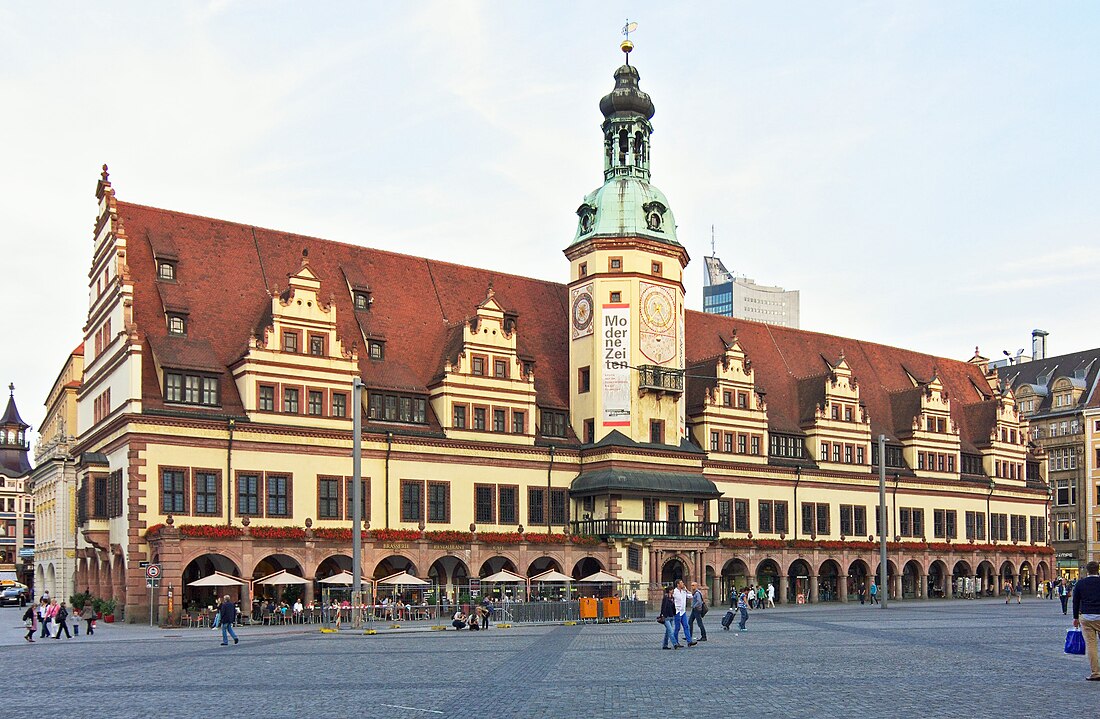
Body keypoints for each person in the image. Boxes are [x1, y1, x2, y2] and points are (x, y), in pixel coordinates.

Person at [1071, 561, 1100, 681]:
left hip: (1087, 616)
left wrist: (1075, 617)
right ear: (1098, 569)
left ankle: (1096, 672)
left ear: (1087, 571)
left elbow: (1075, 601)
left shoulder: (1080, 584)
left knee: (1091, 645)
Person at [672, 579, 695, 647]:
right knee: (677, 628)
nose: (683, 584)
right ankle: (676, 642)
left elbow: (691, 596)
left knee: (686, 626)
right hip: (677, 612)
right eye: (681, 583)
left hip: (683, 611)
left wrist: (686, 590)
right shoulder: (675, 592)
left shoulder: (683, 591)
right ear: (678, 584)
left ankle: (689, 641)